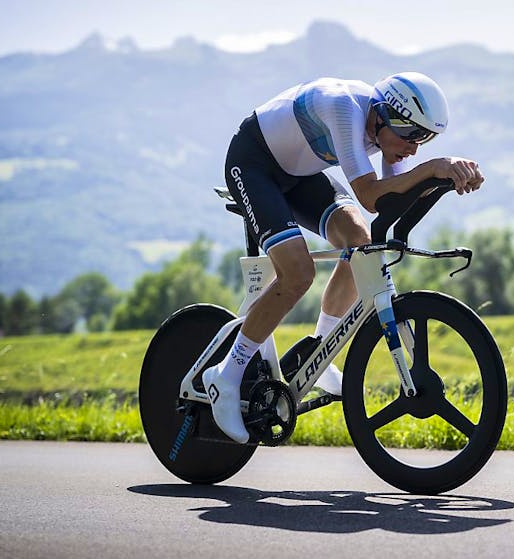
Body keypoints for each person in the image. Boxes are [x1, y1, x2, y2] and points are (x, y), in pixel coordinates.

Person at [205, 72, 485, 443]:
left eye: (426, 139)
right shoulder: (343, 107)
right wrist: (431, 168)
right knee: (298, 273)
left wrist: (446, 178)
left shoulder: (388, 135)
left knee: (361, 243)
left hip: (299, 175)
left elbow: (395, 199)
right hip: (255, 164)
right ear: (383, 116)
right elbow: (370, 196)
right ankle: (226, 375)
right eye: (412, 136)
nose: (415, 148)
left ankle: (318, 354)